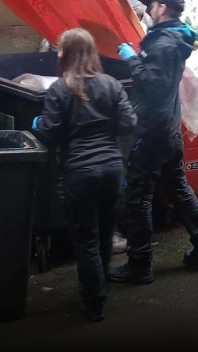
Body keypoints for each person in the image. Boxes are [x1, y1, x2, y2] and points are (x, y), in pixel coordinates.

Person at [101, 0, 198, 284]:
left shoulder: (164, 44)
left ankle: (140, 264)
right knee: (178, 187)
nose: (149, 7)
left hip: (152, 130)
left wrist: (132, 59)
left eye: (153, 5)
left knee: (137, 196)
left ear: (163, 8)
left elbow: (151, 84)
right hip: (168, 127)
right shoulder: (176, 32)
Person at [32, 28, 136, 321]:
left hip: (80, 172)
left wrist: (40, 122)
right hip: (112, 170)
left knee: (87, 239)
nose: (57, 53)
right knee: (104, 234)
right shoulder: (112, 84)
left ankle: (93, 303)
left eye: (60, 49)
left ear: (67, 54)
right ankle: (100, 287)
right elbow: (129, 123)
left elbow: (49, 133)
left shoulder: (59, 89)